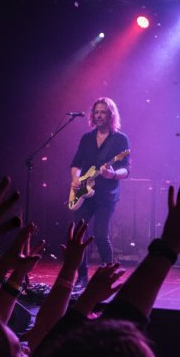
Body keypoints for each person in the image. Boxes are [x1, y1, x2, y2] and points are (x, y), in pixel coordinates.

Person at [70, 97, 130, 288]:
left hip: (106, 195)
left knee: (101, 234)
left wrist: (112, 174)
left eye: (103, 112)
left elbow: (126, 169)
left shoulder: (120, 139)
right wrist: (76, 179)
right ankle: (82, 277)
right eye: (96, 112)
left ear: (110, 115)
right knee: (79, 235)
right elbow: (75, 164)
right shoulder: (87, 138)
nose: (99, 115)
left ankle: (107, 276)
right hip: (85, 193)